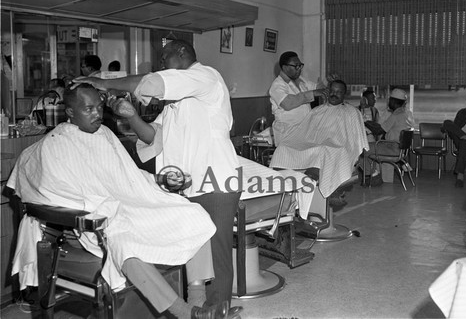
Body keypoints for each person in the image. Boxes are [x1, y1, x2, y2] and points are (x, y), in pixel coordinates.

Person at [7, 83, 233, 319]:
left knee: (192, 214)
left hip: (127, 206)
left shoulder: (105, 134)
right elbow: (46, 191)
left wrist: (159, 179)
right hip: (86, 226)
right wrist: (98, 207)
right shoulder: (53, 145)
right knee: (125, 239)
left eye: (99, 107)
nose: (97, 114)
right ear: (71, 112)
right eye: (89, 109)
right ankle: (186, 313)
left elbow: (128, 175)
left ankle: (198, 301)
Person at [73, 40, 242, 310]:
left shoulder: (206, 77)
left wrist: (105, 82)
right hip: (185, 185)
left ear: (182, 53)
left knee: (217, 251)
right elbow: (153, 136)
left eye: (164, 58)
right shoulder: (175, 103)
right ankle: (196, 306)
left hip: (216, 181)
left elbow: (154, 83)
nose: (161, 65)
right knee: (192, 242)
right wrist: (130, 116)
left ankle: (218, 308)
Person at [270, 79, 369, 199]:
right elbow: (303, 132)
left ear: (344, 94)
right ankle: (284, 187)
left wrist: (355, 154)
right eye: (332, 91)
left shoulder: (352, 112)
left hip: (337, 147)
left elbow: (356, 140)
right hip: (314, 143)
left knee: (323, 150)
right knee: (283, 148)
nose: (334, 94)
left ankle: (313, 187)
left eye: (338, 92)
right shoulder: (317, 111)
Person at [269, 51, 328, 146]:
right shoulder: (277, 85)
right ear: (284, 67)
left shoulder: (301, 80)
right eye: (296, 66)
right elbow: (288, 103)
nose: (299, 69)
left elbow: (318, 88)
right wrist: (312, 94)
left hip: (303, 132)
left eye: (300, 65)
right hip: (287, 135)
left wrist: (328, 80)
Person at [362, 88, 416, 182]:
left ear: (393, 102)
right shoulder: (405, 114)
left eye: (390, 100)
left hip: (391, 148)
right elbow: (382, 126)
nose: (388, 103)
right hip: (401, 150)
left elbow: (379, 130)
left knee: (363, 150)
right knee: (371, 147)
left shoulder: (395, 116)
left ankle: (371, 176)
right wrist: (369, 122)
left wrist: (364, 122)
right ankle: (374, 174)